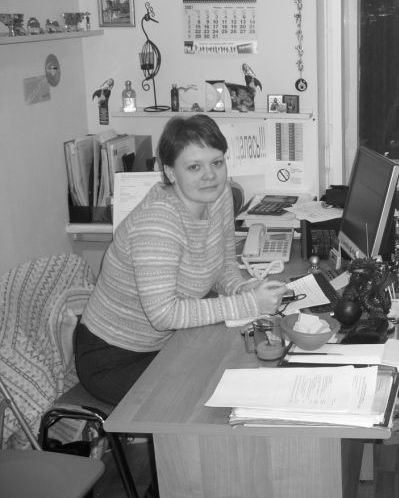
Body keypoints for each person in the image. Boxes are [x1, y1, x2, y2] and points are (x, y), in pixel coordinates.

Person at [76, 115, 287, 406]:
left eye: (217, 162)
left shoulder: (219, 196)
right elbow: (164, 315)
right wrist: (250, 304)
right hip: (115, 356)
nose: (210, 175)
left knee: (245, 371)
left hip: (167, 342)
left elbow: (224, 264)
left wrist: (241, 288)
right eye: (194, 167)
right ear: (171, 173)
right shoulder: (158, 222)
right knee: (208, 400)